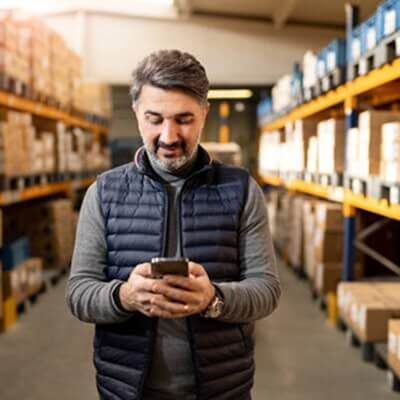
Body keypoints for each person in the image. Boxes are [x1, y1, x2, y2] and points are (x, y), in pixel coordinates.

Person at [66, 49, 281, 400]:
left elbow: (266, 290)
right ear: (136, 113)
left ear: (204, 114)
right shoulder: (103, 193)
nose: (168, 136)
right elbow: (79, 293)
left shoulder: (241, 190)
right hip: (128, 388)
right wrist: (125, 296)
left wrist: (215, 298)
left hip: (221, 387)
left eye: (184, 119)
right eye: (154, 118)